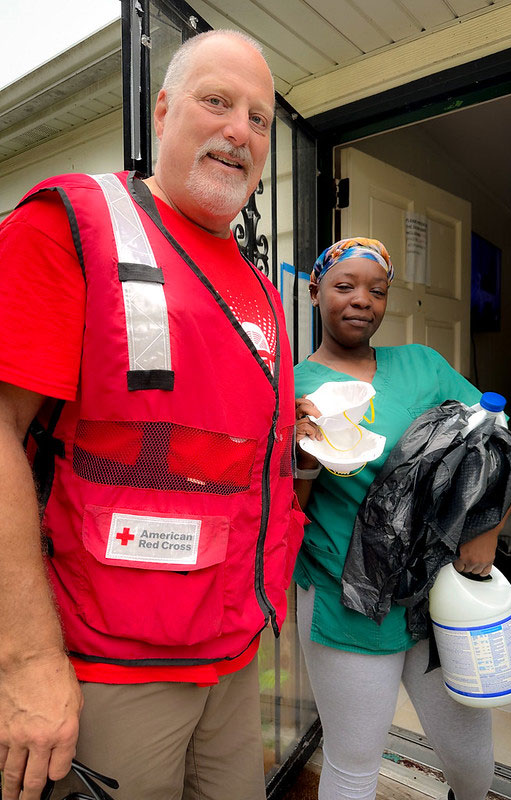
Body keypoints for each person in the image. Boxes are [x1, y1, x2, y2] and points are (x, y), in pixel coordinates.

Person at [0, 30, 305, 800]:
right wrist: (26, 661)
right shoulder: (72, 222)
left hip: (236, 660)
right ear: (163, 111)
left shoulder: (261, 288)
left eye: (261, 118)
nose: (241, 129)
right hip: (110, 668)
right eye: (217, 101)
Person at [293, 237, 511, 800]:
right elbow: (282, 515)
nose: (361, 301)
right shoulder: (292, 388)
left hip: (436, 593)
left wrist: (486, 533)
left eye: (376, 291)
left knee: (472, 761)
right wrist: (302, 464)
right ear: (315, 291)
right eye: (344, 286)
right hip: (342, 598)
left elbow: (505, 453)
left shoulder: (422, 364)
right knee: (353, 766)